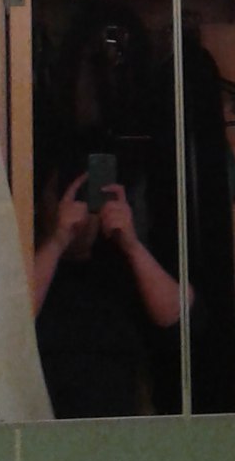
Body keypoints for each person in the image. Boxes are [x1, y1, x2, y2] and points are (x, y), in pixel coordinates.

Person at [31, 165, 190, 418]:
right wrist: (58, 240)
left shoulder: (123, 271)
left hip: (120, 425)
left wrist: (132, 245)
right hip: (41, 423)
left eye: (88, 196)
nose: (80, 209)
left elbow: (181, 319)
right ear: (40, 206)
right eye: (64, 196)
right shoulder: (30, 269)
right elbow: (13, 321)